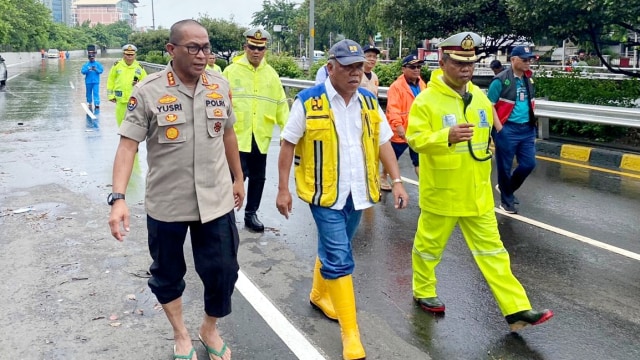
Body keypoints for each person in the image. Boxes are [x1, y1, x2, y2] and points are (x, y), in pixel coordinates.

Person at [108, 19, 244, 360]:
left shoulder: (220, 85)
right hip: (167, 203)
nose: (202, 55)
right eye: (193, 48)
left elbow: (228, 134)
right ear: (172, 50)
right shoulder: (149, 91)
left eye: (207, 47)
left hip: (216, 200)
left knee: (224, 271)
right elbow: (127, 147)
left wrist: (238, 178)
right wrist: (118, 198)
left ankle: (209, 329)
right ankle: (181, 334)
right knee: (168, 275)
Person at [407, 32, 553, 332]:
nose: (466, 69)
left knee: (494, 253)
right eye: (460, 63)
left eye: (471, 63)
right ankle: (423, 291)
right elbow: (415, 139)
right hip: (443, 193)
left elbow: (488, 129)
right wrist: (444, 137)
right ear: (443, 61)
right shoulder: (426, 101)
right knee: (428, 248)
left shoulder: (480, 97)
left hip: (478, 194)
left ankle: (516, 309)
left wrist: (491, 144)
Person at [276, 39, 409, 360]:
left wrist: (398, 181)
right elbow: (287, 144)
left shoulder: (367, 100)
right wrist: (283, 189)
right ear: (331, 68)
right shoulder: (309, 101)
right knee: (340, 258)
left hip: (359, 194)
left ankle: (319, 293)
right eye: (348, 67)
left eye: (359, 67)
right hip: (324, 195)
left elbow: (383, 143)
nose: (355, 73)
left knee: (337, 249)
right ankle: (351, 336)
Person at [222, 27, 289, 232]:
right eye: (252, 47)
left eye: (260, 48)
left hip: (260, 136)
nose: (256, 51)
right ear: (245, 47)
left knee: (258, 178)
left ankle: (251, 214)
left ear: (265, 50)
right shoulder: (231, 72)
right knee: (232, 178)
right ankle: (225, 215)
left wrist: (288, 134)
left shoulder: (272, 75)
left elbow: (281, 106)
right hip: (236, 136)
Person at [488, 45, 537, 214]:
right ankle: (507, 201)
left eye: (529, 59)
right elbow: (490, 106)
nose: (527, 62)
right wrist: (500, 129)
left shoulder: (528, 79)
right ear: (513, 60)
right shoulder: (500, 80)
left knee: (529, 164)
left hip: (527, 129)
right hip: (507, 129)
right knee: (505, 166)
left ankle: (505, 188)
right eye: (524, 59)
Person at [381, 54, 426, 190]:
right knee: (392, 157)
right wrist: (398, 126)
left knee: (418, 160)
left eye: (418, 67)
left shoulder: (422, 84)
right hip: (400, 131)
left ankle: (425, 187)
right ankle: (383, 176)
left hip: (417, 130)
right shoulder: (396, 87)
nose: (416, 70)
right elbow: (393, 108)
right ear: (403, 69)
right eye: (412, 67)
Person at [107, 44, 147, 126]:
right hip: (120, 100)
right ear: (123, 54)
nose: (129, 57)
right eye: (127, 54)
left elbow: (146, 82)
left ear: (135, 55)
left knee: (133, 124)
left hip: (134, 100)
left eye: (132, 55)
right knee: (121, 123)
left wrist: (139, 83)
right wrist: (110, 95)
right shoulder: (117, 66)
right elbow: (111, 80)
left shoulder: (139, 68)